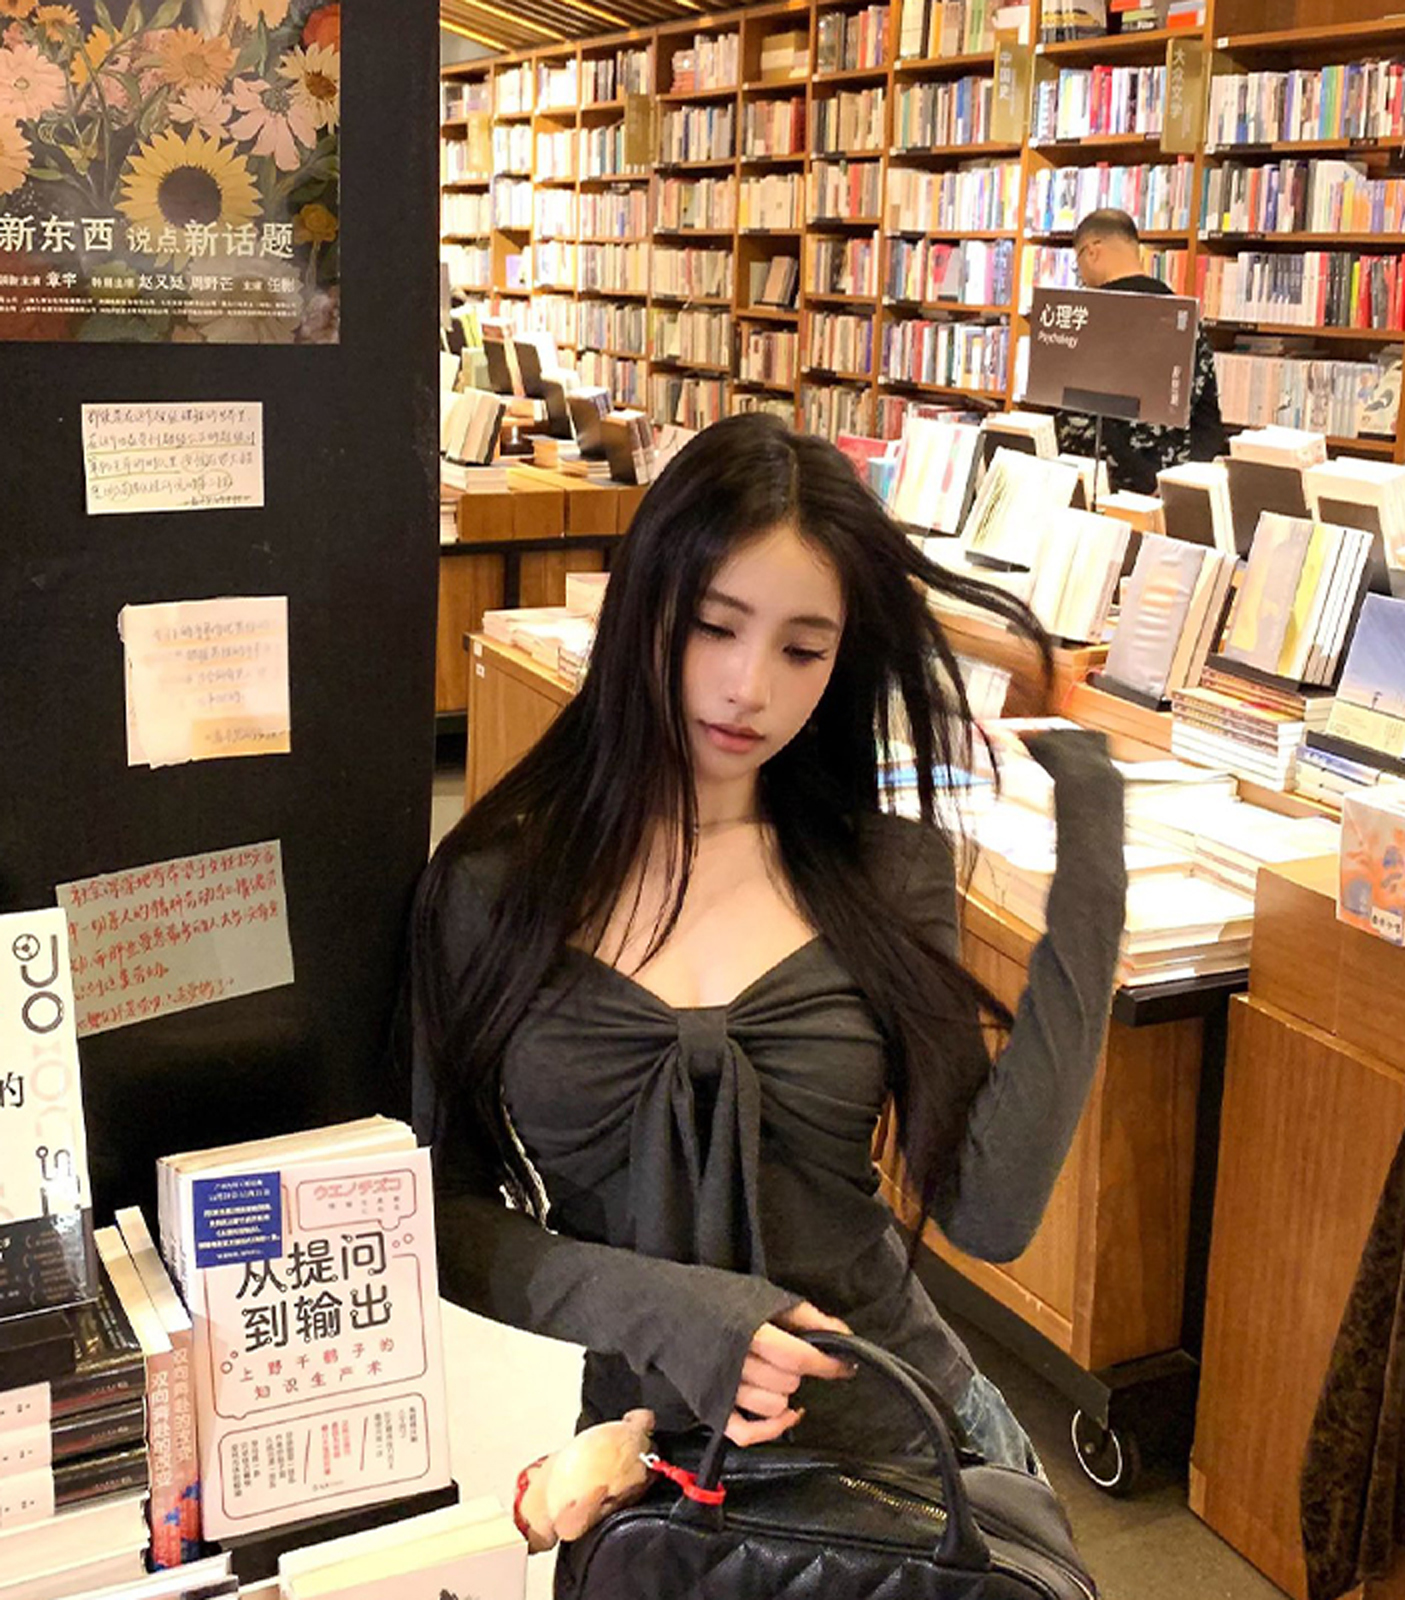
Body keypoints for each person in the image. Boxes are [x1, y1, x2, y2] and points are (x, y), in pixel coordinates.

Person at [405, 413, 1125, 1488]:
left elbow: (988, 1208)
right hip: (647, 1469)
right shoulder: (492, 889)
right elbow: (440, 1219)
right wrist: (677, 1311)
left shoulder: (885, 870)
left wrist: (1094, 872)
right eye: (714, 627)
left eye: (802, 649)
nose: (750, 688)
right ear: (645, 609)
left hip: (904, 1461)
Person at [1055, 208, 1226, 494]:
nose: (1081, 274)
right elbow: (1207, 417)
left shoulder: (1085, 319)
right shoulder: (1182, 316)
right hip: (1170, 488)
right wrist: (1173, 484)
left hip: (1103, 486)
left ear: (1093, 251)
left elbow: (1080, 420)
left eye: (1078, 261)